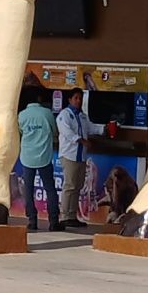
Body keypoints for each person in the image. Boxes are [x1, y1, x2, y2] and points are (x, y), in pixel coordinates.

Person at [14, 88, 62, 231]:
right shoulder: (47, 114)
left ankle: (32, 221)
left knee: (28, 190)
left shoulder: (21, 115)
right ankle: (53, 222)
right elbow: (55, 131)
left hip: (27, 157)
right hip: (44, 157)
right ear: (39, 98)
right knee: (50, 189)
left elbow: (19, 132)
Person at [54, 92, 95, 226]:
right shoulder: (64, 115)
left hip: (81, 156)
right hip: (69, 155)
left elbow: (91, 128)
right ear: (70, 99)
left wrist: (104, 129)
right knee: (69, 185)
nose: (78, 101)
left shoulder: (82, 116)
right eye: (76, 98)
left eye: (80, 98)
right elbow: (67, 133)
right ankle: (65, 215)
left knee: (78, 186)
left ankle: (72, 215)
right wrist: (82, 141)